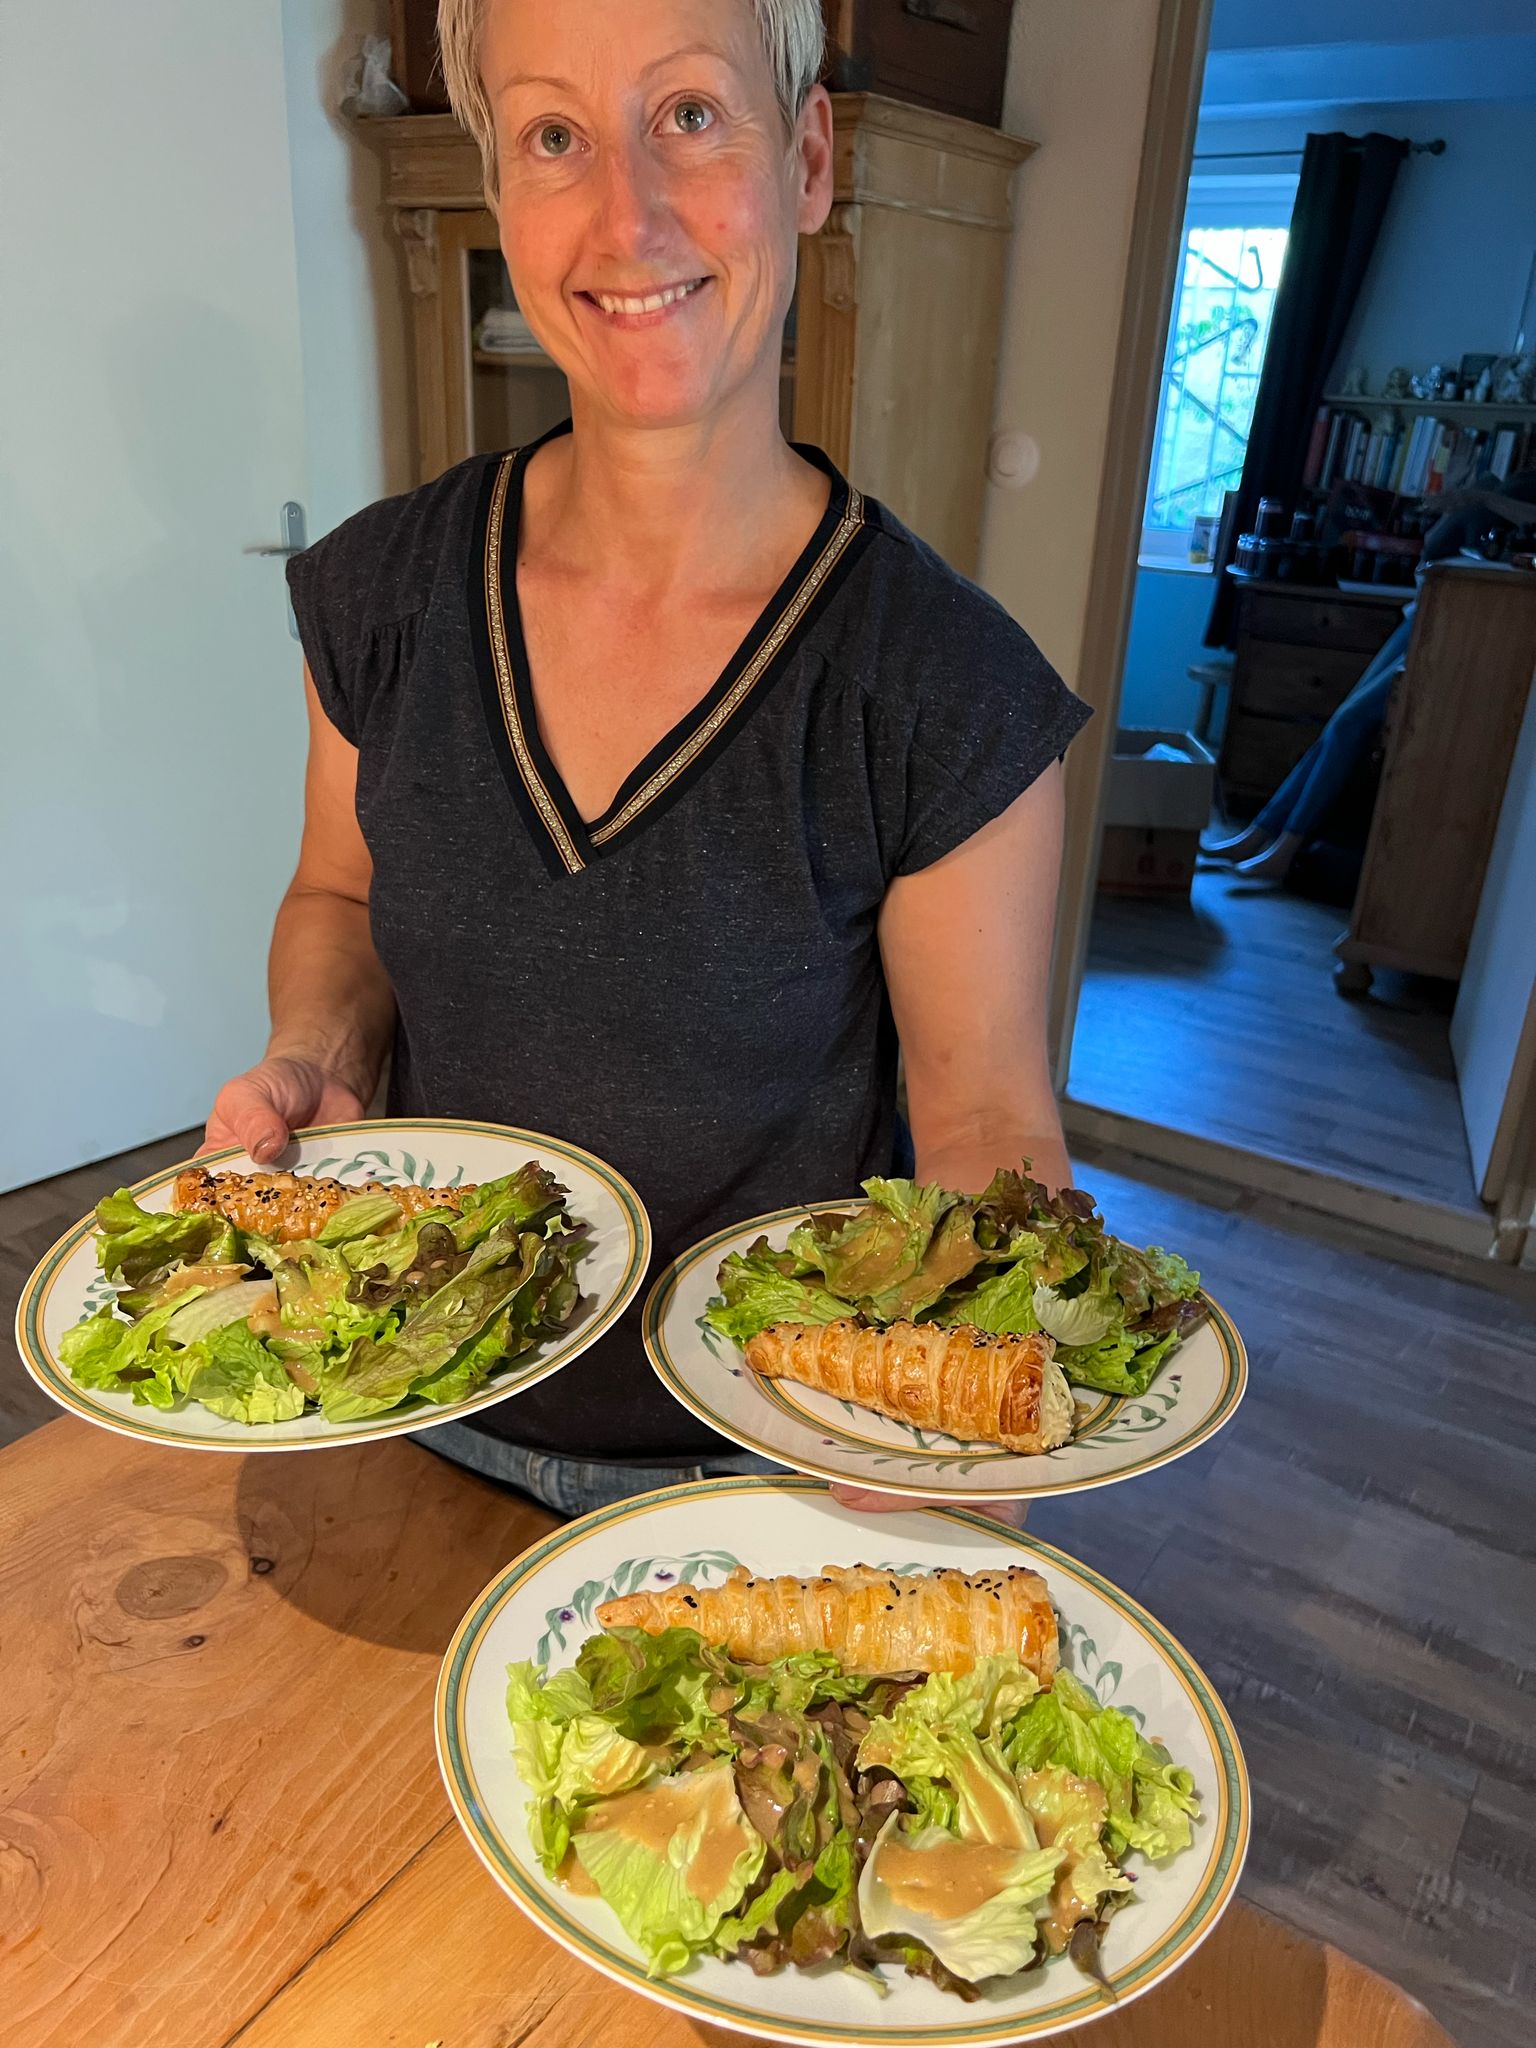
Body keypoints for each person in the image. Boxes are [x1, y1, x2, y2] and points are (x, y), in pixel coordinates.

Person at [200, 0, 1090, 1520]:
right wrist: (318, 1052)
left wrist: (963, 1416)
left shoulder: (948, 691)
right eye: (555, 135)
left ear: (807, 159)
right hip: (407, 1408)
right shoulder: (379, 598)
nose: (631, 213)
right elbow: (340, 901)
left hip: (774, 1465)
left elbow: (986, 1125)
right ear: (500, 194)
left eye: (692, 116)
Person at [1204, 472, 1536, 880]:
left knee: (1349, 723)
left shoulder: (1506, 498)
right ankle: (1260, 833)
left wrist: (1480, 497)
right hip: (1424, 609)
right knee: (1338, 724)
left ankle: (1286, 848)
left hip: (1458, 622)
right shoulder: (1513, 479)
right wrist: (1468, 493)